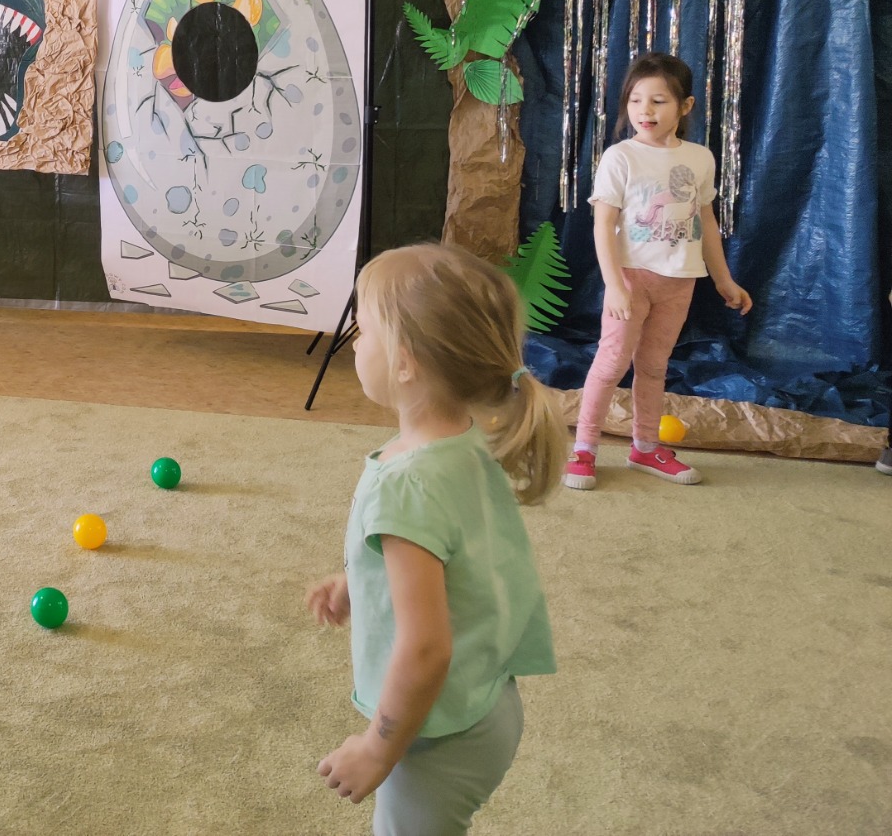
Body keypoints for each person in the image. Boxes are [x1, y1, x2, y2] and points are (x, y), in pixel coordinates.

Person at [308, 244, 562, 835]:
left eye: (364, 331)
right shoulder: (465, 439)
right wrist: (361, 577)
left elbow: (425, 650)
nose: (354, 344)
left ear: (405, 364)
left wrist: (377, 748)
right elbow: (456, 551)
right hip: (487, 701)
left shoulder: (405, 486)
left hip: (437, 738)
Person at [567, 52, 751, 491]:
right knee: (611, 363)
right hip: (632, 281)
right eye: (635, 100)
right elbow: (602, 225)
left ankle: (645, 447)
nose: (644, 111)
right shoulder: (621, 157)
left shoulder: (700, 158)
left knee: (653, 366)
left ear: (685, 106)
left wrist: (724, 279)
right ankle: (584, 449)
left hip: (679, 283)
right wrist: (614, 285)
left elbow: (705, 222)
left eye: (658, 101)